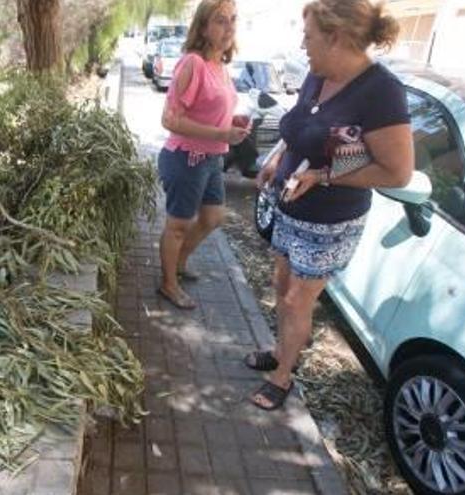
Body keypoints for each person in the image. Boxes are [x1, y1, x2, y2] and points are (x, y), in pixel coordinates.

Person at [247, 0, 415, 410]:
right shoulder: (318, 74)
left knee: (296, 300)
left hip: (331, 221)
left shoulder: (381, 92)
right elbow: (303, 124)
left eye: (308, 37)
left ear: (335, 37)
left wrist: (320, 177)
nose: (302, 45)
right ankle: (282, 348)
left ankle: (283, 377)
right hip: (290, 206)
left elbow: (397, 172)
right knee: (281, 285)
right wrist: (276, 157)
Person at [157, 0, 250, 310]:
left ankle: (179, 261)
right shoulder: (193, 63)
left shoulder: (219, 65)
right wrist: (223, 133)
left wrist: (229, 123)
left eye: (234, 20)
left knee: (213, 217)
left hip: (211, 158)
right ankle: (169, 284)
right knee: (178, 225)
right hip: (185, 157)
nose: (230, 27)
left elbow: (210, 112)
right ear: (203, 26)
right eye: (221, 20)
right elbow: (170, 120)